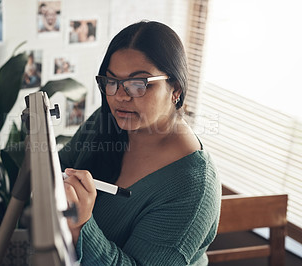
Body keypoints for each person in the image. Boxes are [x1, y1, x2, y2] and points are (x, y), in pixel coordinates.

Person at [59, 21, 221, 265]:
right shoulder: (105, 122)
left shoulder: (193, 186)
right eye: (111, 82)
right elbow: (60, 166)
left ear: (175, 88)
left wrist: (81, 226)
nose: (120, 96)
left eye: (139, 84)